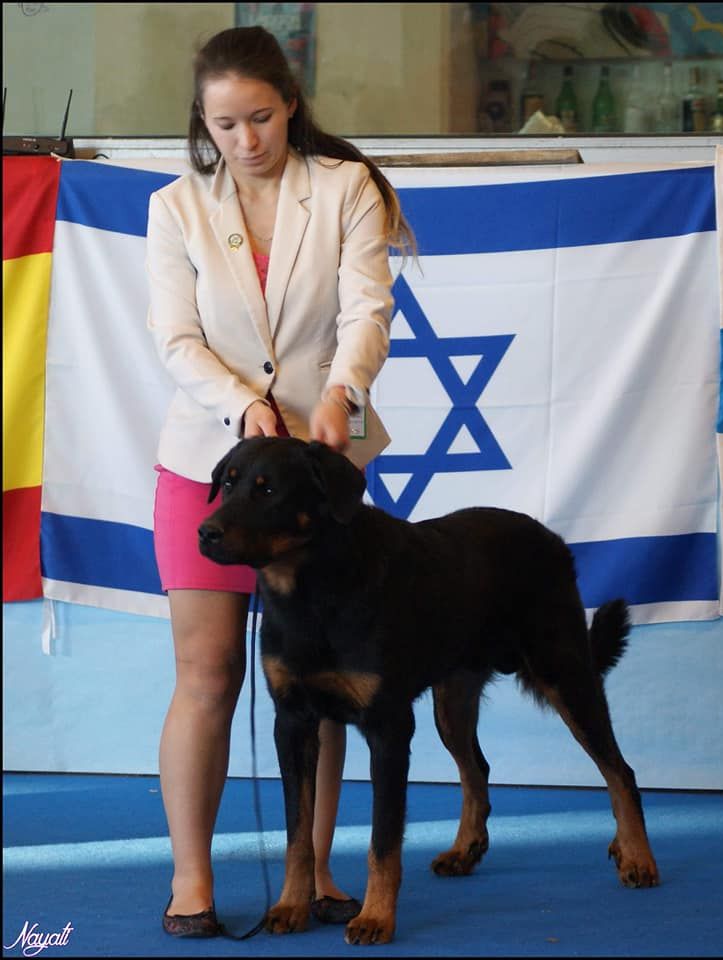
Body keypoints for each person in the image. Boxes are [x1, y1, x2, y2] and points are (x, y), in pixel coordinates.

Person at [146, 25, 415, 939]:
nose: (246, 140)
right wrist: (241, 406)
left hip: (320, 471)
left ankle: (318, 869)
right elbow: (176, 341)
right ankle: (192, 881)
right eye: (225, 125)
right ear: (204, 124)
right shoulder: (174, 207)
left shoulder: (347, 189)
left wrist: (343, 391)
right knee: (208, 673)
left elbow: (367, 306)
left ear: (290, 103)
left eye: (260, 117)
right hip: (208, 464)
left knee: (324, 680)